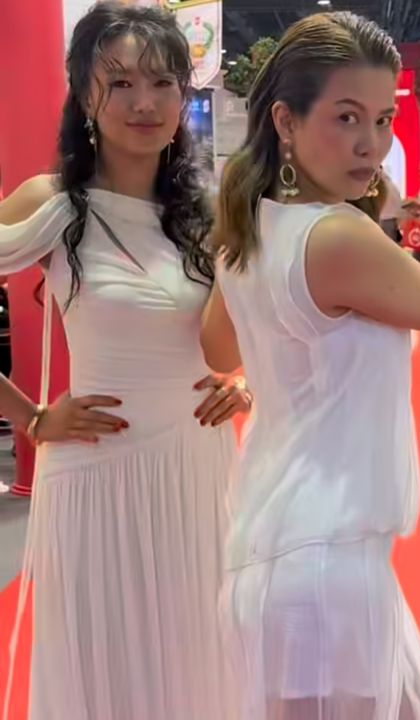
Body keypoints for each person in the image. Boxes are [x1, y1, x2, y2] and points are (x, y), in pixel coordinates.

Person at [201, 11, 420, 720]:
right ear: (286, 121)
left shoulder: (249, 227)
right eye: (346, 118)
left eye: (382, 118)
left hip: (278, 547)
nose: (372, 142)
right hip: (324, 562)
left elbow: (220, 350)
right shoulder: (336, 233)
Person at [0, 4, 250, 718]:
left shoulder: (211, 212)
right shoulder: (52, 205)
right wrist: (31, 418)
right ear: (85, 95)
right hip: (94, 474)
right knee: (101, 660)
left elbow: (261, 326)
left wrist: (245, 383)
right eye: (121, 83)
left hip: (196, 470)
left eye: (163, 82)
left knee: (193, 659)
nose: (145, 102)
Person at [379, 167, 403, 241]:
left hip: (383, 219)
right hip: (391, 220)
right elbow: (398, 203)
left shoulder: (381, 186)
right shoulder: (392, 185)